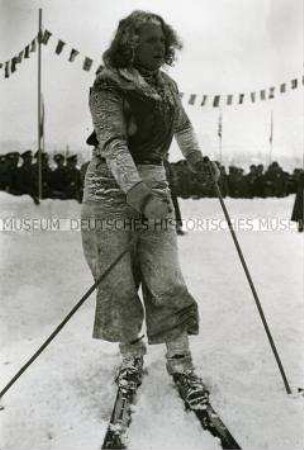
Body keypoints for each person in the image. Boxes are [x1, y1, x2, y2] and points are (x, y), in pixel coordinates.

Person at [81, 10, 220, 409]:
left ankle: (180, 361)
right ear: (129, 43)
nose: (160, 48)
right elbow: (112, 144)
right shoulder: (108, 84)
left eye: (163, 41)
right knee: (118, 280)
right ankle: (131, 357)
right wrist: (137, 194)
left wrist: (195, 158)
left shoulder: (168, 86)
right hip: (109, 187)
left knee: (166, 275)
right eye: (150, 40)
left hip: (153, 183)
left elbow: (184, 127)